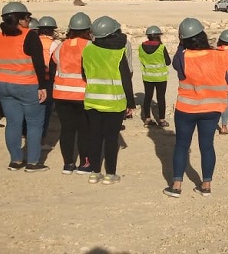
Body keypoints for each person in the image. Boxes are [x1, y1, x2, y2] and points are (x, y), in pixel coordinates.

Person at [163, 18, 228, 198]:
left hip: (187, 109)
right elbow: (227, 80)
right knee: (207, 145)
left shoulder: (182, 57)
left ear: (183, 39)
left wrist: (180, 44)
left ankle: (176, 185)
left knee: (182, 145)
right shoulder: (218, 55)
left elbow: (176, 64)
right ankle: (206, 185)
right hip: (212, 109)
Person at [0, 2, 49, 171]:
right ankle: (32, 162)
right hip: (26, 85)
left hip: (3, 84)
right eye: (27, 18)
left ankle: (15, 160)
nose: (28, 21)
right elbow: (39, 63)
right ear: (20, 19)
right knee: (34, 123)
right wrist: (43, 86)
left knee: (13, 123)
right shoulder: (29, 36)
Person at [82, 16, 136, 185]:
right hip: (115, 102)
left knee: (94, 137)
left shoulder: (88, 50)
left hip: (92, 101)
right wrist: (131, 103)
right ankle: (110, 174)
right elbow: (126, 79)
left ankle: (95, 173)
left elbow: (84, 74)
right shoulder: (119, 52)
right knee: (111, 139)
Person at [52, 12, 92, 174]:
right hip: (81, 94)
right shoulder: (89, 46)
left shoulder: (61, 46)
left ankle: (68, 164)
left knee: (67, 129)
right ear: (87, 29)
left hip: (61, 94)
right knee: (84, 130)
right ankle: (84, 163)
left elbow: (55, 61)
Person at [138, 25, 171, 128]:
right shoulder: (161, 48)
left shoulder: (140, 47)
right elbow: (168, 62)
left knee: (147, 97)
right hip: (160, 78)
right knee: (161, 98)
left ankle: (147, 119)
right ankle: (161, 120)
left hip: (147, 77)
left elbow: (141, 60)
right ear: (158, 36)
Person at [37, 16, 61, 146]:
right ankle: (42, 139)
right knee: (45, 111)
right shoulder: (56, 44)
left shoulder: (32, 41)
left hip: (33, 79)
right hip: (48, 80)